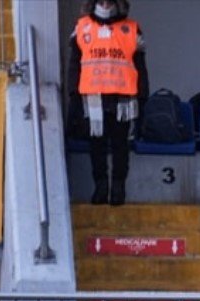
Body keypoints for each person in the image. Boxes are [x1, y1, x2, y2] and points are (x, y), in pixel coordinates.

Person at [65, 0, 148, 206]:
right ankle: (100, 187)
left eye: (109, 1)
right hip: (93, 97)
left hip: (123, 98)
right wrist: (73, 94)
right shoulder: (82, 26)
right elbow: (74, 64)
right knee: (97, 145)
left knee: (121, 146)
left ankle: (118, 188)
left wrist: (143, 95)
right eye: (101, 1)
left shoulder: (132, 29)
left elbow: (140, 66)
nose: (105, 5)